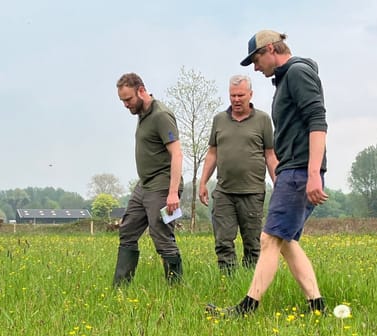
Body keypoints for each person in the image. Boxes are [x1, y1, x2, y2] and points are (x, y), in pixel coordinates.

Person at [209, 30, 329, 316]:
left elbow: (317, 120)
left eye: (256, 58)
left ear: (272, 49)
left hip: (299, 170)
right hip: (293, 169)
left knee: (268, 239)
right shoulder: (287, 78)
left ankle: (247, 308)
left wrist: (313, 172)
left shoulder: (298, 73)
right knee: (285, 241)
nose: (254, 66)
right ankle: (317, 306)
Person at [199, 74, 278, 274]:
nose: (236, 100)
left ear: (250, 94)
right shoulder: (219, 120)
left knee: (252, 243)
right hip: (224, 191)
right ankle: (228, 280)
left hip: (252, 192)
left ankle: (252, 284)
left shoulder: (262, 120)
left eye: (240, 95)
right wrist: (203, 182)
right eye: (232, 95)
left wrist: (279, 183)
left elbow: (270, 155)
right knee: (223, 240)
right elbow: (212, 153)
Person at [113, 73, 184, 285]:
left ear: (141, 91)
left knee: (161, 235)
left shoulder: (161, 115)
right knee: (128, 229)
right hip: (144, 185)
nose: (126, 105)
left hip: (162, 186)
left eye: (128, 99)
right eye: (122, 101)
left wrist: (172, 193)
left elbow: (177, 154)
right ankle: (120, 288)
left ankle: (175, 288)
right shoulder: (142, 114)